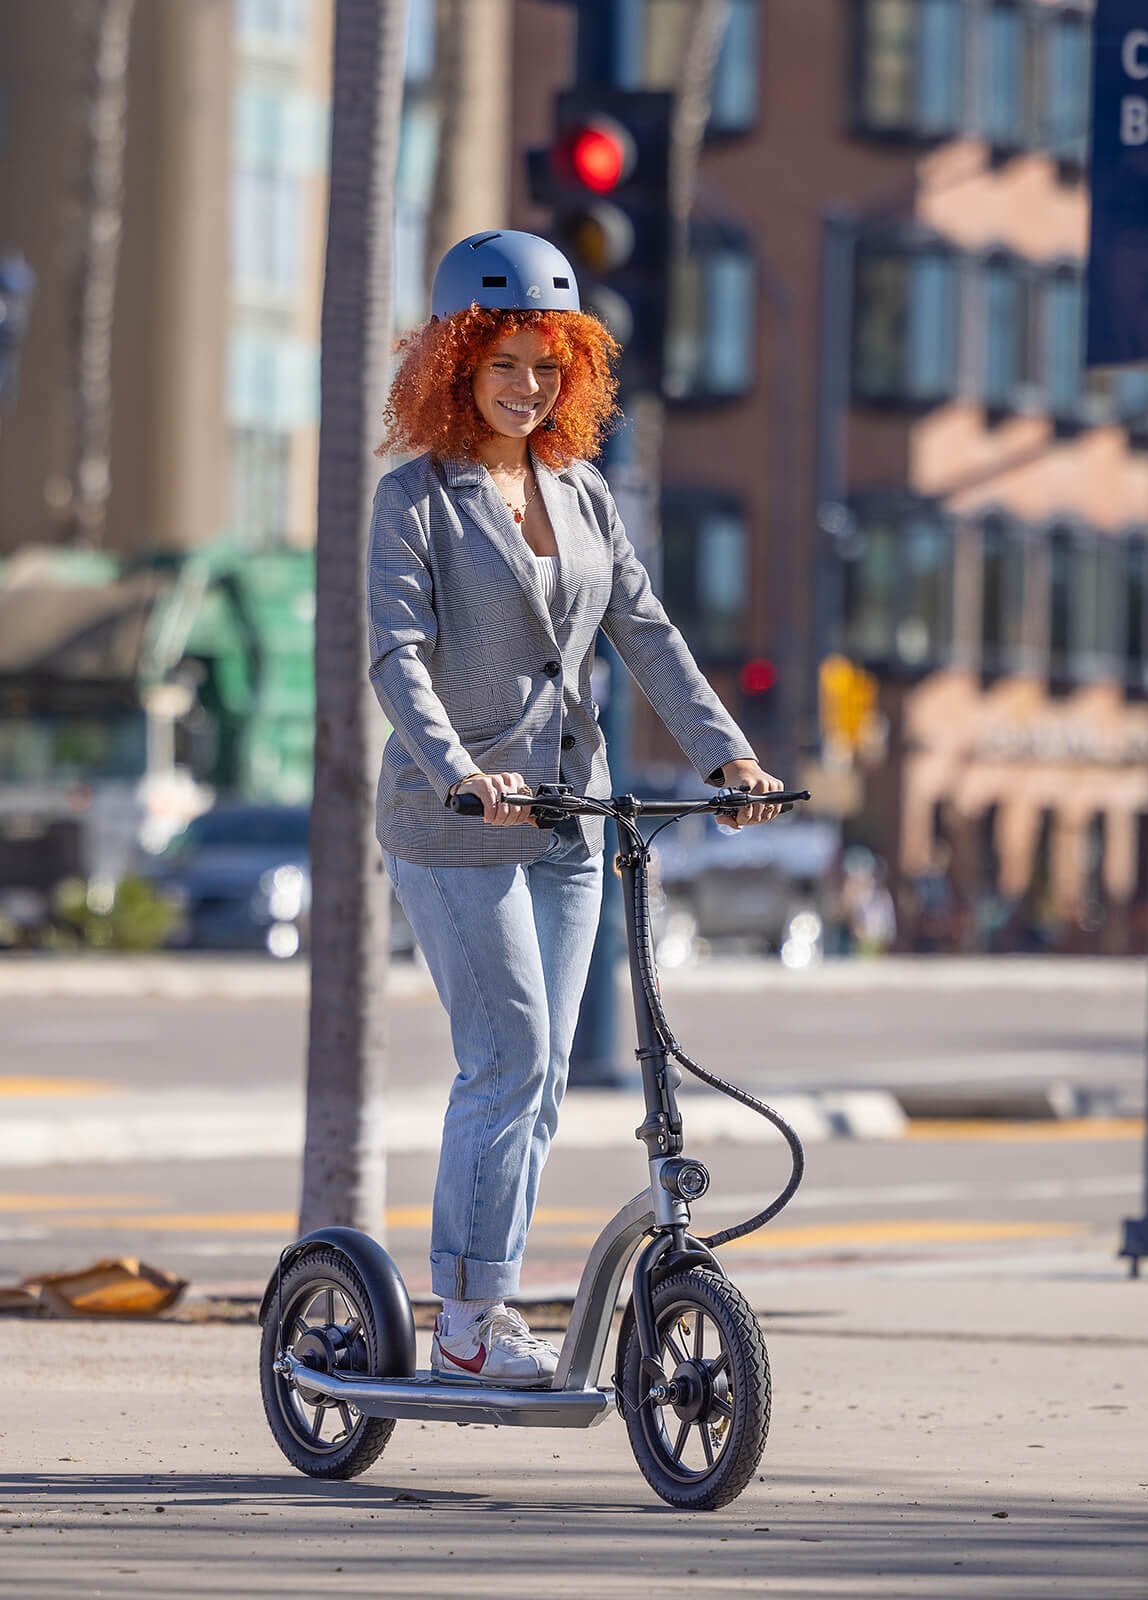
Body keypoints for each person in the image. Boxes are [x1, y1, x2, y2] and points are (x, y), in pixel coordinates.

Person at [367, 230, 784, 1384]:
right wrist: (459, 763)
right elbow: (396, 658)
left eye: (545, 366)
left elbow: (641, 629)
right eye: (502, 364)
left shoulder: (583, 489)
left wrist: (725, 758)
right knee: (506, 1058)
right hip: (456, 819)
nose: (525, 386)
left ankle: (484, 1296)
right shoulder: (415, 501)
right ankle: (465, 1320)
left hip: (567, 813)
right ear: (456, 366)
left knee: (546, 1070)